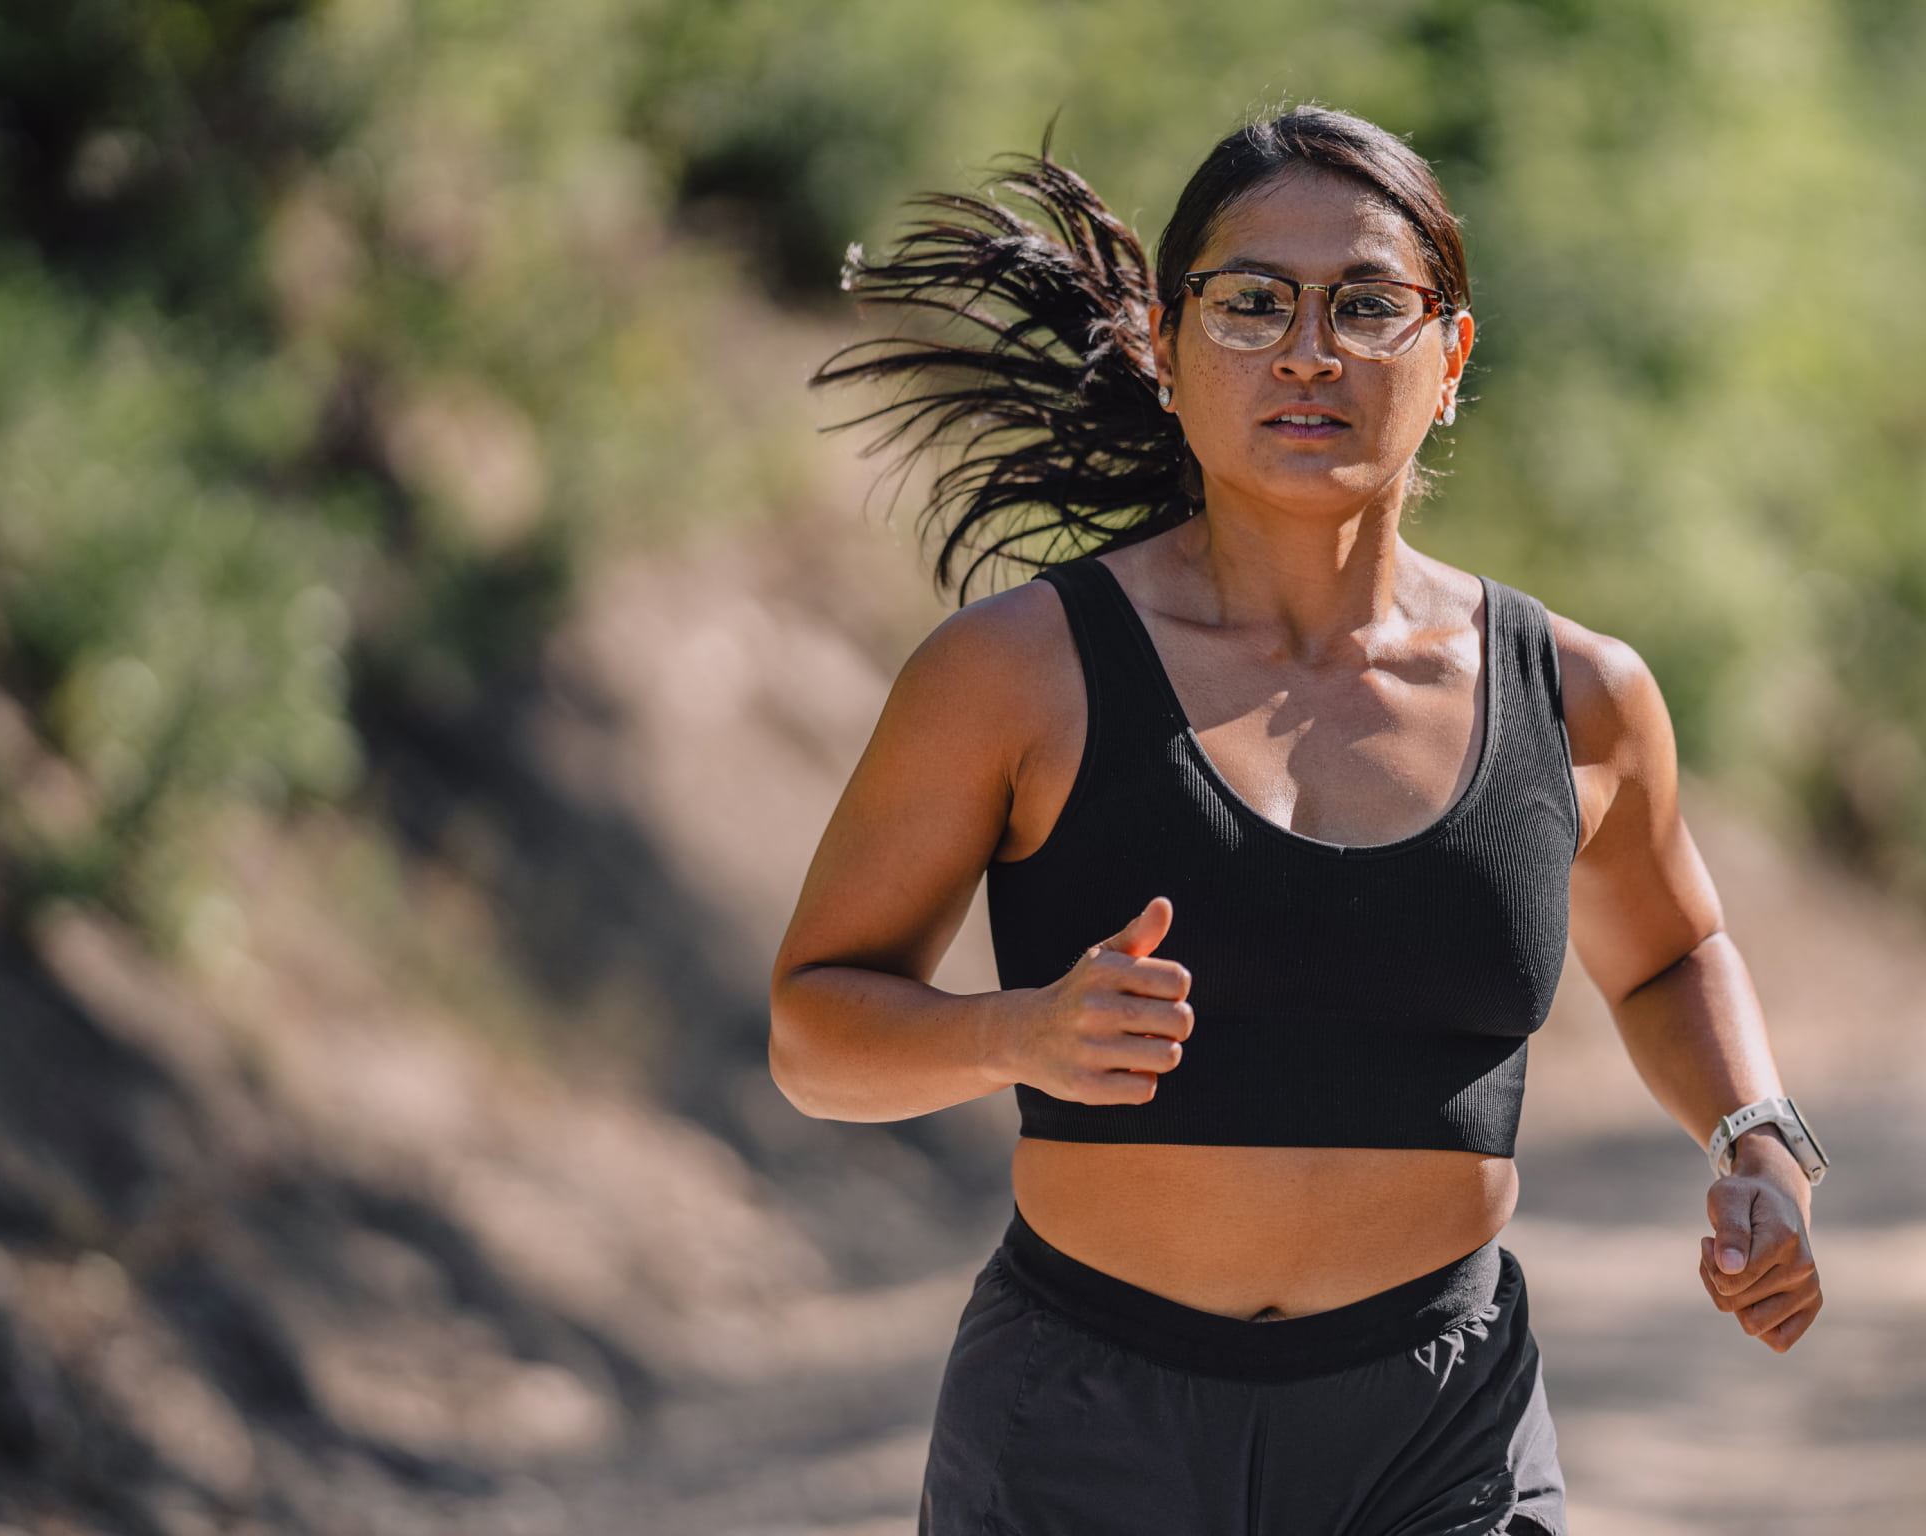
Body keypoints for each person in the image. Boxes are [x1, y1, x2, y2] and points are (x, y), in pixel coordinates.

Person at [771, 106, 1827, 1536]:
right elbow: (814, 1031)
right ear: (1165, 343)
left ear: (1451, 360)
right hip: (1089, 1424)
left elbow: (1668, 952)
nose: (1310, 350)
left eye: (1371, 305)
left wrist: (1755, 1140)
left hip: (1437, 1429)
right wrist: (1012, 1034)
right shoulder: (1017, 675)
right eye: (1254, 301)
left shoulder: (1577, 696)